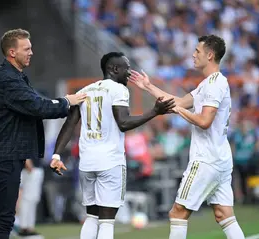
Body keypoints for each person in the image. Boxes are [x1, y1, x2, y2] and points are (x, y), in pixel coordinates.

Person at [129, 35, 245, 239]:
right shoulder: (208, 83)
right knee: (223, 214)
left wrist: (177, 111)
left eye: (198, 51)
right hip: (220, 158)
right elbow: (180, 102)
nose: (193, 54)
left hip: (206, 160)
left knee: (178, 213)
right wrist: (148, 86)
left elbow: (203, 121)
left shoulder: (215, 84)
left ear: (210, 55)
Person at [49, 52, 175, 239]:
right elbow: (123, 123)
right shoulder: (118, 90)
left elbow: (69, 124)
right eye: (127, 67)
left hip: (87, 163)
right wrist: (155, 112)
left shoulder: (85, 90)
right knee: (107, 221)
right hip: (110, 162)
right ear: (114, 69)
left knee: (91, 216)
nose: (129, 72)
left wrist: (56, 155)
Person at [0, 28, 86, 239]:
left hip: (8, 154)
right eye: (26, 48)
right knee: (3, 216)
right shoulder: (8, 80)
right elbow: (38, 107)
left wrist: (62, 103)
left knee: (3, 215)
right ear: (12, 52)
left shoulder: (16, 77)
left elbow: (36, 105)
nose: (31, 52)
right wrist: (67, 101)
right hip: (4, 155)